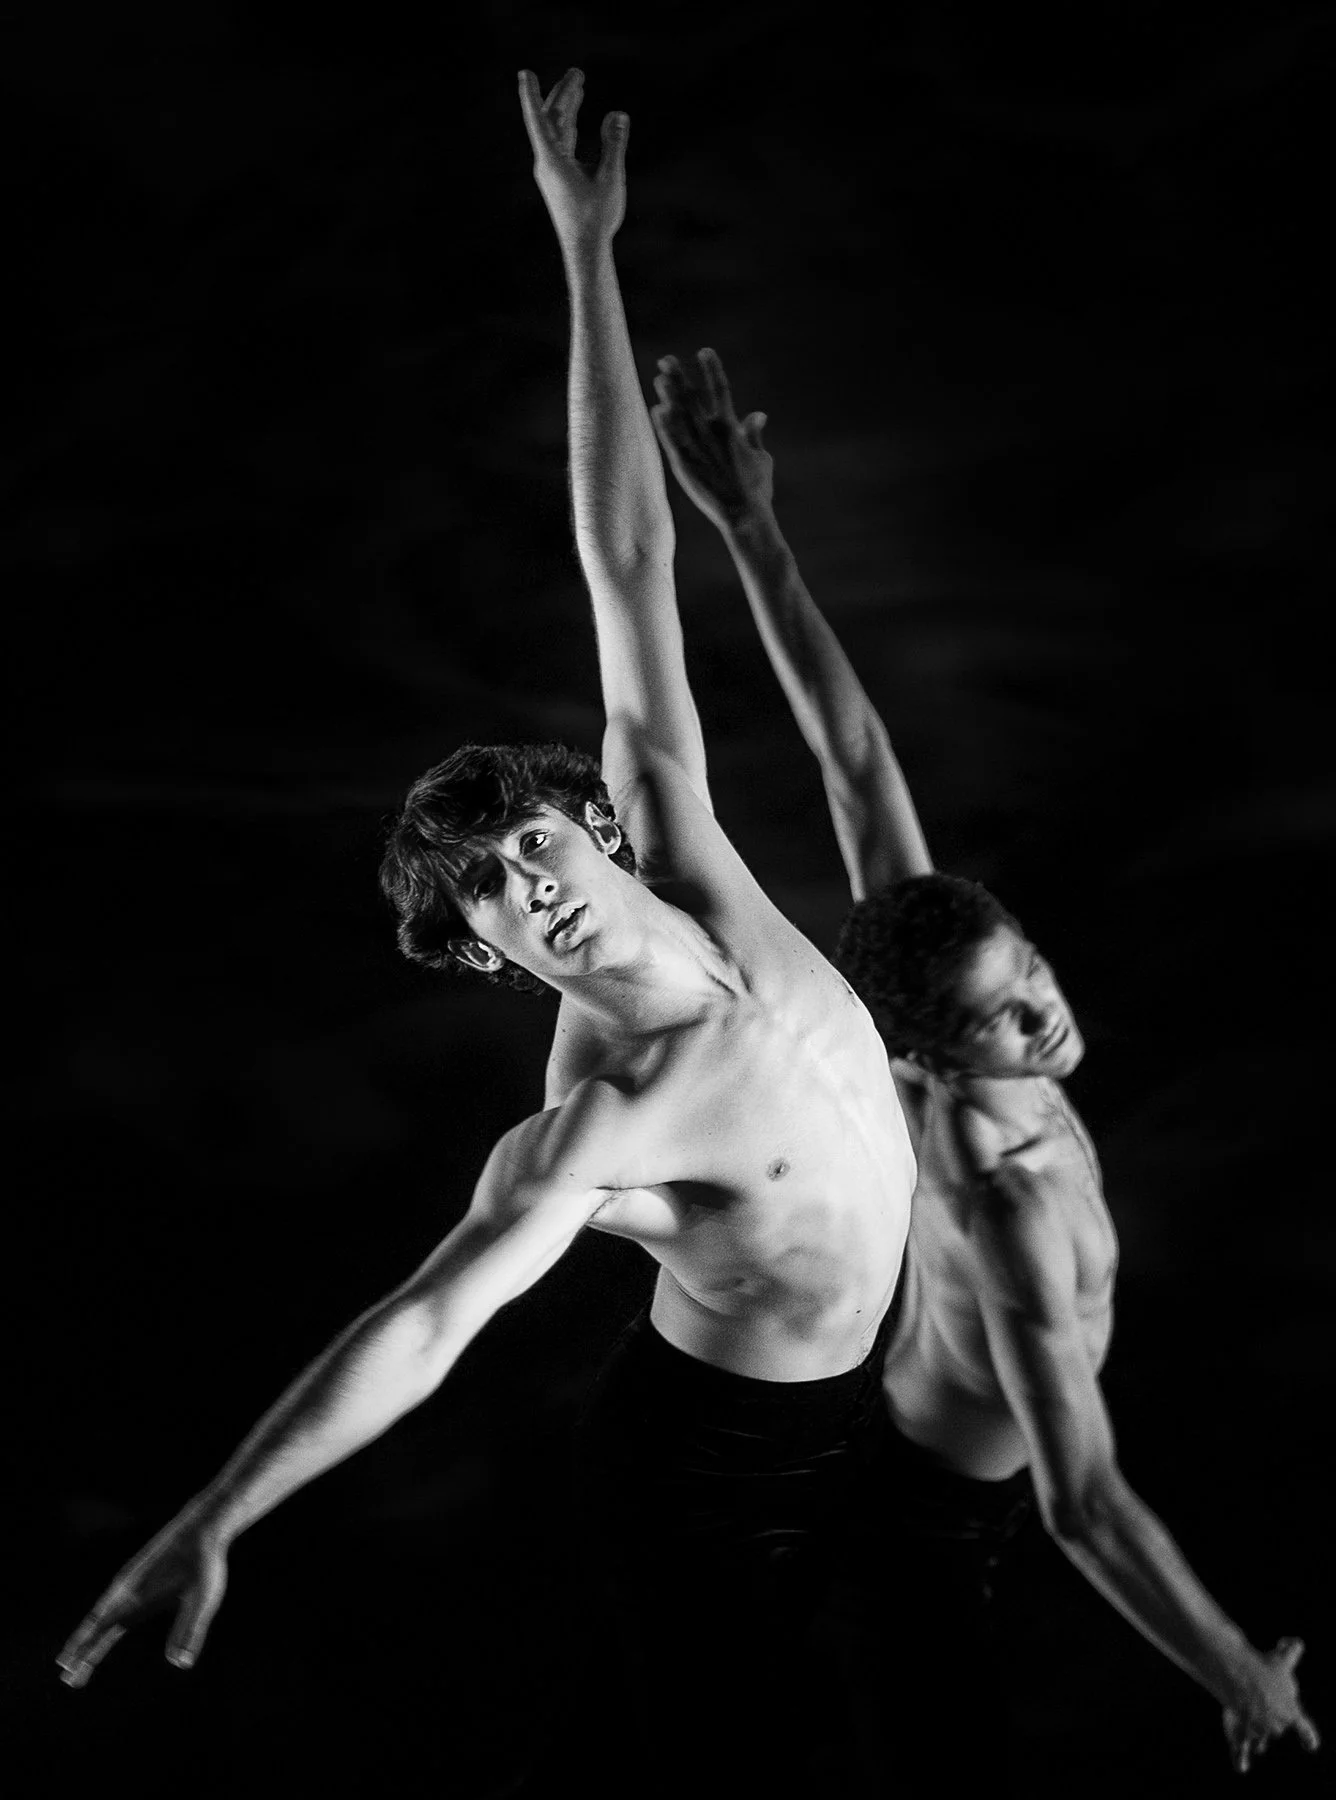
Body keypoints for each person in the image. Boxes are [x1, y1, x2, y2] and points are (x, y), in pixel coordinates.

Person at [56, 72, 917, 1797]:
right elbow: (427, 1322)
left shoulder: (681, 832)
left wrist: (584, 247)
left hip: (868, 1408)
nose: (533, 885)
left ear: (593, 826)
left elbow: (625, 560)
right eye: (491, 896)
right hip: (720, 1467)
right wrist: (222, 1511)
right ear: (481, 956)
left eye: (534, 843)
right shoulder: (600, 1118)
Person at [650, 345, 1321, 1780]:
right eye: (1005, 1021)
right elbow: (1082, 1499)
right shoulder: (1001, 1198)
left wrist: (752, 526)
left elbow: (854, 759)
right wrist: (1240, 1675)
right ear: (934, 1055)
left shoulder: (937, 958)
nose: (1046, 1023)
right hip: (920, 1531)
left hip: (896, 1450)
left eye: (1036, 975)